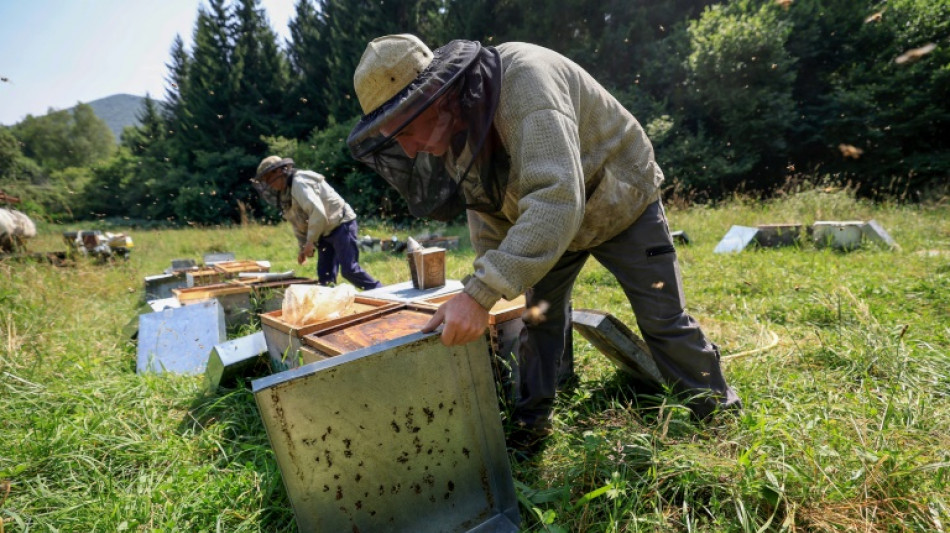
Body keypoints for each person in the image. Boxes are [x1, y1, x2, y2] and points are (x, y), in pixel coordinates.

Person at [347, 34, 740, 452]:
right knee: (539, 319)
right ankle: (531, 426)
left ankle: (718, 421)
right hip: (547, 217)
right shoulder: (455, 126)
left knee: (662, 319)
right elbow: (486, 209)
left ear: (436, 96)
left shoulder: (526, 83)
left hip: (619, 197)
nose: (408, 150)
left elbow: (556, 197)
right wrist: (487, 285)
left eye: (406, 130)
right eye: (395, 137)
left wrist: (478, 296)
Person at [252, 156, 382, 290]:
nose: (268, 184)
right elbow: (298, 222)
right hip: (323, 231)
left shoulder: (299, 183)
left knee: (349, 270)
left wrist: (310, 241)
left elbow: (318, 213)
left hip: (341, 224)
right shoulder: (286, 193)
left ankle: (381, 292)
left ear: (278, 171)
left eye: (268, 179)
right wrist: (303, 247)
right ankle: (330, 307)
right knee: (325, 277)